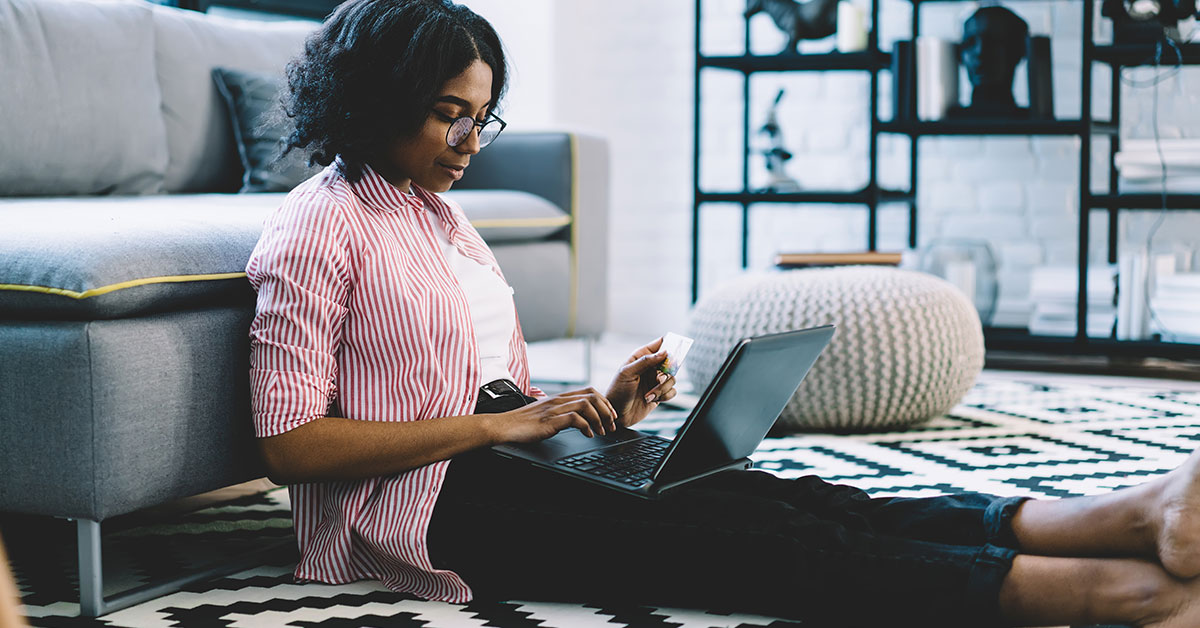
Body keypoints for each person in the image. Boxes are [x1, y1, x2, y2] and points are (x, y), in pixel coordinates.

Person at [248, 1, 1200, 625]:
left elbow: (477, 393)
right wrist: (504, 423)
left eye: (481, 117)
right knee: (764, 549)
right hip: (427, 514)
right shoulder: (316, 230)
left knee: (796, 496)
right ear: (376, 102)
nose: (470, 141)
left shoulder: (443, 219)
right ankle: (1122, 597)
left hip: (504, 462)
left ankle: (1128, 518)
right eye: (448, 114)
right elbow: (289, 444)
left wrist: (606, 411)